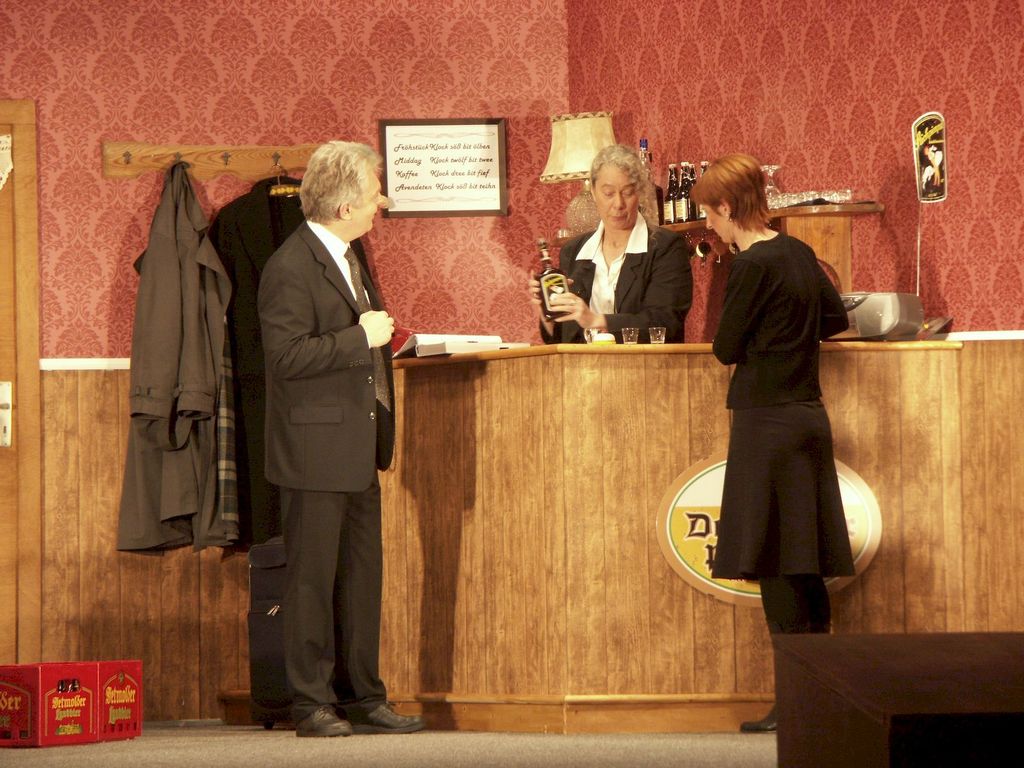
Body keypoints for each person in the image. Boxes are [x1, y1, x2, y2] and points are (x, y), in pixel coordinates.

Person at [257, 140, 425, 738]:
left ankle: (365, 699)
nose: (382, 201)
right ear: (344, 204)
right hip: (313, 452)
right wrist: (361, 338)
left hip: (357, 447)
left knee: (360, 580)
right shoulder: (290, 266)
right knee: (310, 583)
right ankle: (311, 705)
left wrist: (375, 340)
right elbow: (284, 358)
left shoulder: (350, 254)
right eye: (375, 193)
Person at [691, 153, 854, 734]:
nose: (709, 226)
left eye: (710, 214)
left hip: (765, 424)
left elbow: (725, 348)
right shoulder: (799, 252)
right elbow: (834, 319)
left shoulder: (751, 265)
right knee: (805, 562)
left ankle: (794, 703)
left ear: (727, 207)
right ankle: (821, 696)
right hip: (808, 417)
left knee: (779, 564)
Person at [529, 144, 693, 342]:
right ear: (593, 192)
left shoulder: (666, 247)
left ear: (639, 193)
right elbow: (562, 339)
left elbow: (665, 323)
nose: (618, 204)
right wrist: (547, 308)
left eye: (627, 192)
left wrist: (595, 320)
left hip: (644, 361)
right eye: (608, 193)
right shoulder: (573, 251)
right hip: (582, 362)